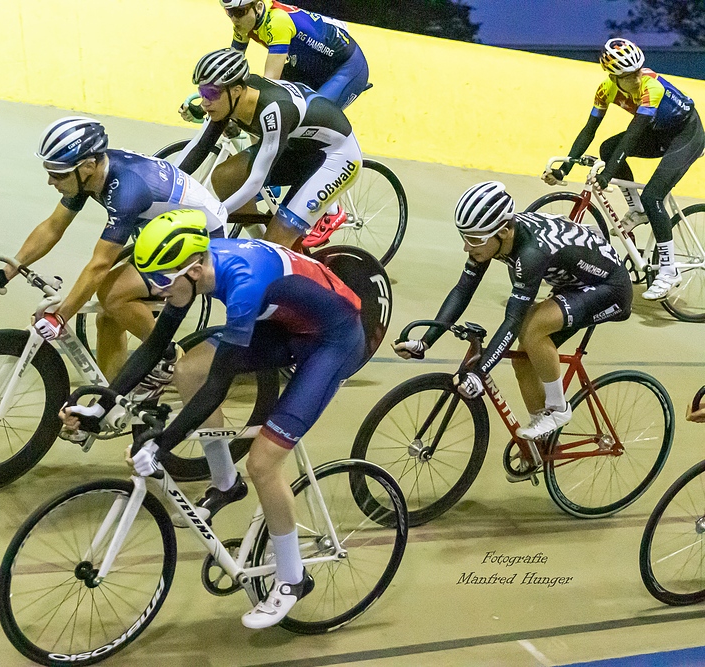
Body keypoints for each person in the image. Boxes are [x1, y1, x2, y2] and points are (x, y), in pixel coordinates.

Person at [61, 209, 369, 628]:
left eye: (163, 283)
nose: (156, 292)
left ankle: (292, 578)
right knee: (187, 370)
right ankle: (225, 483)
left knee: (263, 464)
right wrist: (104, 403)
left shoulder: (241, 285)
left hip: (333, 341)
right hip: (287, 322)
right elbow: (155, 347)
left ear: (191, 269)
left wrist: (160, 444)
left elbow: (217, 387)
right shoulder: (191, 272)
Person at [0, 116, 228, 388]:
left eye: (58, 174)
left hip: (204, 241)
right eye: (49, 171)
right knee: (109, 316)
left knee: (112, 292)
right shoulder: (87, 174)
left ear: (87, 166)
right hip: (165, 233)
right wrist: (9, 270)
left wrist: (60, 317)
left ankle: (169, 356)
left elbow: (99, 265)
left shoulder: (127, 191)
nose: (50, 181)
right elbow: (52, 227)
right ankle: (114, 394)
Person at [395, 181, 633, 447]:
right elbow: (463, 290)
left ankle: (558, 408)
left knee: (531, 328)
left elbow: (513, 319)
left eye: (474, 239)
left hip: (610, 288)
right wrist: (426, 341)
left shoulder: (531, 253)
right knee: (523, 358)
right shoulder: (494, 239)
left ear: (505, 232)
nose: (466, 247)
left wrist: (480, 373)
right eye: (464, 236)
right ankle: (542, 442)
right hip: (575, 283)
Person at [544, 37, 703, 301]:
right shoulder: (605, 89)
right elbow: (589, 130)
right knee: (608, 148)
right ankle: (637, 208)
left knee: (654, 196)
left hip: (686, 136)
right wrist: (565, 167)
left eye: (639, 70)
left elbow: (632, 135)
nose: (637, 78)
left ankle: (668, 269)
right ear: (614, 77)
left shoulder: (652, 87)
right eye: (630, 75)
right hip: (659, 133)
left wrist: (607, 175)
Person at [177, 49, 362, 250]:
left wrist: (217, 212)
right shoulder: (230, 100)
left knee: (273, 246)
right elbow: (198, 147)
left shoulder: (275, 110)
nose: (205, 102)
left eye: (211, 93)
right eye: (202, 92)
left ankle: (278, 253)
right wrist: (159, 181)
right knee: (225, 177)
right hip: (299, 149)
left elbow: (256, 180)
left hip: (336, 158)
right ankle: (259, 244)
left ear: (237, 90)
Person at [219, 0, 368, 110]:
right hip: (310, 65)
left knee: (313, 117)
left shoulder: (277, 22)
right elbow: (231, 68)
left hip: (348, 68)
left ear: (258, 7)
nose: (234, 19)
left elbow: (270, 81)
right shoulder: (244, 24)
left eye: (239, 12)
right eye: (229, 13)